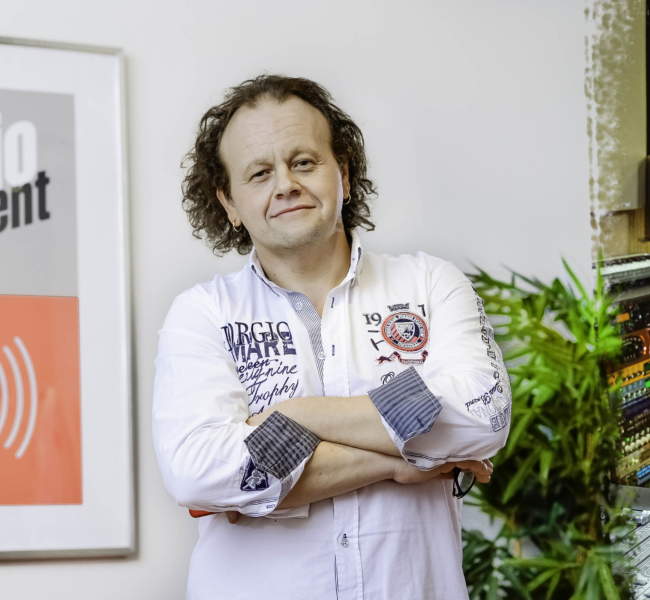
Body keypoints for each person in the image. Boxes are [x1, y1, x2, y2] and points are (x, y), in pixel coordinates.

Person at [153, 75, 510, 599]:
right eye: (259, 173)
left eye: (303, 162)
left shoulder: (430, 283)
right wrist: (402, 460)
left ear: (342, 172)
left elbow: (482, 413)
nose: (285, 185)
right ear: (229, 202)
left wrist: (293, 417)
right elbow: (200, 472)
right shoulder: (202, 314)